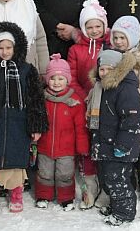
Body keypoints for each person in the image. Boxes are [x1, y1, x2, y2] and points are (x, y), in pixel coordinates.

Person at [0, 22, 48, 222]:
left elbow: (35, 100)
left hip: (19, 125)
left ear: (16, 47)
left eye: (8, 47)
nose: (4, 52)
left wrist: (36, 125)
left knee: (17, 166)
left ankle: (16, 196)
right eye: (0, 48)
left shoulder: (27, 70)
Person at [86, 49, 140, 226]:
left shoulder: (126, 90)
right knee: (109, 179)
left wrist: (123, 145)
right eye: (102, 69)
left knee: (119, 181)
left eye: (110, 69)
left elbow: (131, 121)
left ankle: (124, 213)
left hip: (120, 147)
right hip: (106, 144)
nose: (104, 73)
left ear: (119, 70)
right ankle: (116, 206)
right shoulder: (101, 88)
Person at [109, 16, 140, 202]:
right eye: (116, 37)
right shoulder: (112, 58)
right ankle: (129, 182)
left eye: (123, 38)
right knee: (125, 154)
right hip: (120, 117)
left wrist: (131, 99)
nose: (118, 42)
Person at [66, 0, 109, 209]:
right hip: (84, 101)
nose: (94, 30)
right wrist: (82, 96)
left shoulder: (109, 48)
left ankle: (105, 186)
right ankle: (87, 185)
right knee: (85, 142)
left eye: (97, 26)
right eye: (89, 26)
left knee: (102, 142)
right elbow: (71, 76)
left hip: (105, 103)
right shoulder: (76, 50)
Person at [35, 54, 90, 211]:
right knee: (44, 173)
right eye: (53, 78)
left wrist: (82, 146)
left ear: (67, 79)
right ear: (47, 80)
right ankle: (44, 196)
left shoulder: (74, 101)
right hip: (45, 146)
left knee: (64, 175)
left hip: (66, 149)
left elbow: (80, 127)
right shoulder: (43, 99)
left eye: (60, 79)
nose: (56, 82)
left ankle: (66, 198)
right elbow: (36, 120)